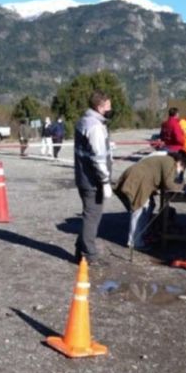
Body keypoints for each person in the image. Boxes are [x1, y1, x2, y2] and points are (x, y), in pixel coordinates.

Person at [73, 90, 114, 266]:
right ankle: (89, 255)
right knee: (92, 216)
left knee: (89, 214)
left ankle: (79, 249)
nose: (111, 109)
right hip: (92, 179)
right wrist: (104, 181)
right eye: (108, 106)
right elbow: (97, 157)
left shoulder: (84, 121)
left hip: (83, 176)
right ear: (100, 107)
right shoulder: (95, 126)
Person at [114, 151, 185, 250]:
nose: (179, 171)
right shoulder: (170, 161)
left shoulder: (164, 159)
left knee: (149, 205)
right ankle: (135, 242)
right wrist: (182, 186)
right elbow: (169, 184)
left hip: (139, 177)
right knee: (140, 209)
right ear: (180, 162)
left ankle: (141, 236)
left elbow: (162, 179)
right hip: (139, 179)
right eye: (182, 168)